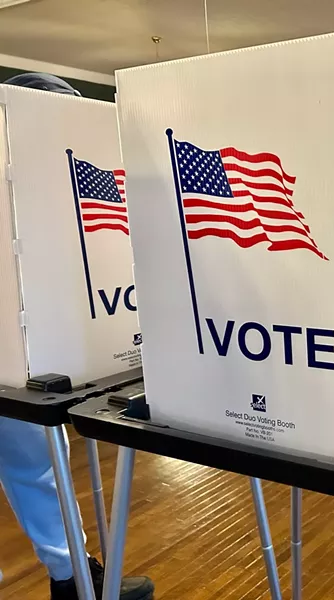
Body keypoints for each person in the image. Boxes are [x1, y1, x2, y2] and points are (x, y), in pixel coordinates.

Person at [1, 72, 155, 600]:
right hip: (17, 352)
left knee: (36, 462)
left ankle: (74, 576)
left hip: (25, 350)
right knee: (35, 462)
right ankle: (74, 579)